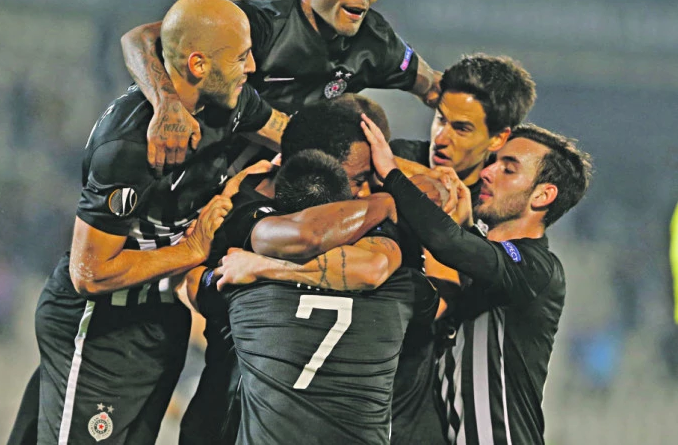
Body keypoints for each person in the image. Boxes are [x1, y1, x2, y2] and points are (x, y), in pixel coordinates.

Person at [22, 0, 289, 445]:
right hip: (101, 325)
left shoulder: (230, 103)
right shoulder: (129, 145)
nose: (251, 66)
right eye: (241, 57)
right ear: (198, 64)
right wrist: (190, 250)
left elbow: (291, 132)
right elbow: (90, 272)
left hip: (161, 319)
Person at [177, 101, 422, 445]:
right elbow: (308, 236)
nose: (364, 192)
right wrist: (387, 203)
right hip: (229, 415)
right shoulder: (240, 210)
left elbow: (371, 267)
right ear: (316, 167)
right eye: (358, 180)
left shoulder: (367, 212)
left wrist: (265, 268)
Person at [362, 117, 593, 445]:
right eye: (493, 162)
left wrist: (391, 173)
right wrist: (467, 228)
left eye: (508, 169)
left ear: (543, 195)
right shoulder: (494, 268)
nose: (487, 172)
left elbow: (449, 242)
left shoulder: (537, 268)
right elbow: (471, 252)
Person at [120, 0, 441, 171]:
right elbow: (139, 38)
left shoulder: (377, 42)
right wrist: (167, 105)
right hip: (196, 164)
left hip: (277, 176)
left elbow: (437, 88)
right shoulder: (263, 23)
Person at [388, 52, 537, 445]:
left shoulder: (506, 215)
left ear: (498, 138)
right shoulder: (392, 162)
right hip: (370, 367)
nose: (441, 137)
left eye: (461, 128)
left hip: (436, 394)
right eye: (440, 119)